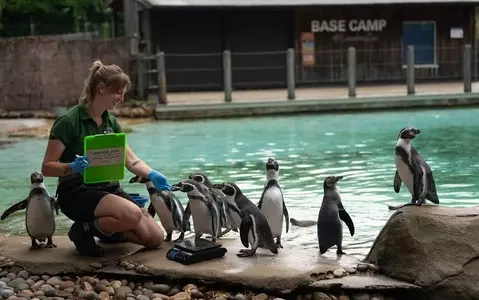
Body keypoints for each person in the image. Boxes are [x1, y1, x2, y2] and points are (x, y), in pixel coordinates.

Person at [41, 60, 172, 257]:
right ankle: (82, 230)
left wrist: (153, 174)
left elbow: (132, 161)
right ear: (101, 88)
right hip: (77, 191)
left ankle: (104, 229)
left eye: (123, 93)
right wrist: (72, 167)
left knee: (155, 238)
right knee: (133, 214)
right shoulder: (69, 121)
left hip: (108, 188)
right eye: (118, 92)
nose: (121, 98)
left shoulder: (111, 122)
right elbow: (47, 167)